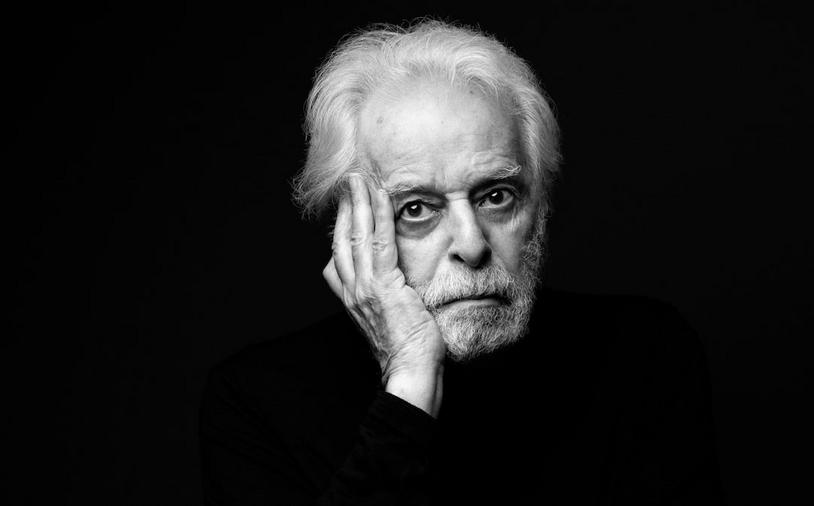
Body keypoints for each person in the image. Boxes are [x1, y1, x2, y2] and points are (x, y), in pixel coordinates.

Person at [200, 20, 724, 505]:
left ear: (539, 204)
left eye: (496, 196)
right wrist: (409, 384)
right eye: (416, 208)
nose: (472, 245)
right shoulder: (257, 401)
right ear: (353, 228)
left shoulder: (642, 355)